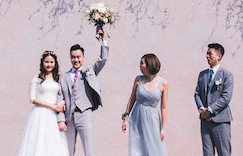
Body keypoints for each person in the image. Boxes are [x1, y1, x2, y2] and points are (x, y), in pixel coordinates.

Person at [59, 26, 109, 156]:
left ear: (83, 57)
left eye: (78, 57)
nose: (76, 60)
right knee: (67, 151)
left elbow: (102, 60)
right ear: (70, 58)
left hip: (84, 114)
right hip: (68, 118)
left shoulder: (89, 71)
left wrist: (102, 39)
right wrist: (61, 120)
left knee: (89, 149)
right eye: (73, 57)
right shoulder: (63, 77)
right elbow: (59, 99)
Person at [16, 50, 70, 156]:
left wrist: (62, 103)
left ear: (55, 63)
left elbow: (64, 95)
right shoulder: (37, 77)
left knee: (52, 142)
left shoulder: (58, 79)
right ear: (42, 63)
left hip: (54, 116)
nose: (49, 64)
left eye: (51, 62)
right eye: (46, 62)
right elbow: (32, 98)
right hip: (39, 114)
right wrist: (51, 105)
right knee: (38, 141)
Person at [121, 53, 168, 156]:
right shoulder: (138, 79)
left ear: (149, 64)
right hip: (137, 118)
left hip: (153, 119)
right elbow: (131, 99)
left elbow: (164, 107)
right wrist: (125, 118)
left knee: (153, 147)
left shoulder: (163, 83)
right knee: (137, 147)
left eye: (142, 63)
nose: (139, 66)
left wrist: (163, 128)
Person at [194, 42, 233, 156]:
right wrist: (202, 109)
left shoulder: (227, 75)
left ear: (219, 56)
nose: (207, 56)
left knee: (224, 152)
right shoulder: (202, 74)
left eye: (210, 54)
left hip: (221, 120)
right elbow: (197, 94)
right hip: (205, 121)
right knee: (207, 153)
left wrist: (210, 110)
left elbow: (226, 97)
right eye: (206, 54)